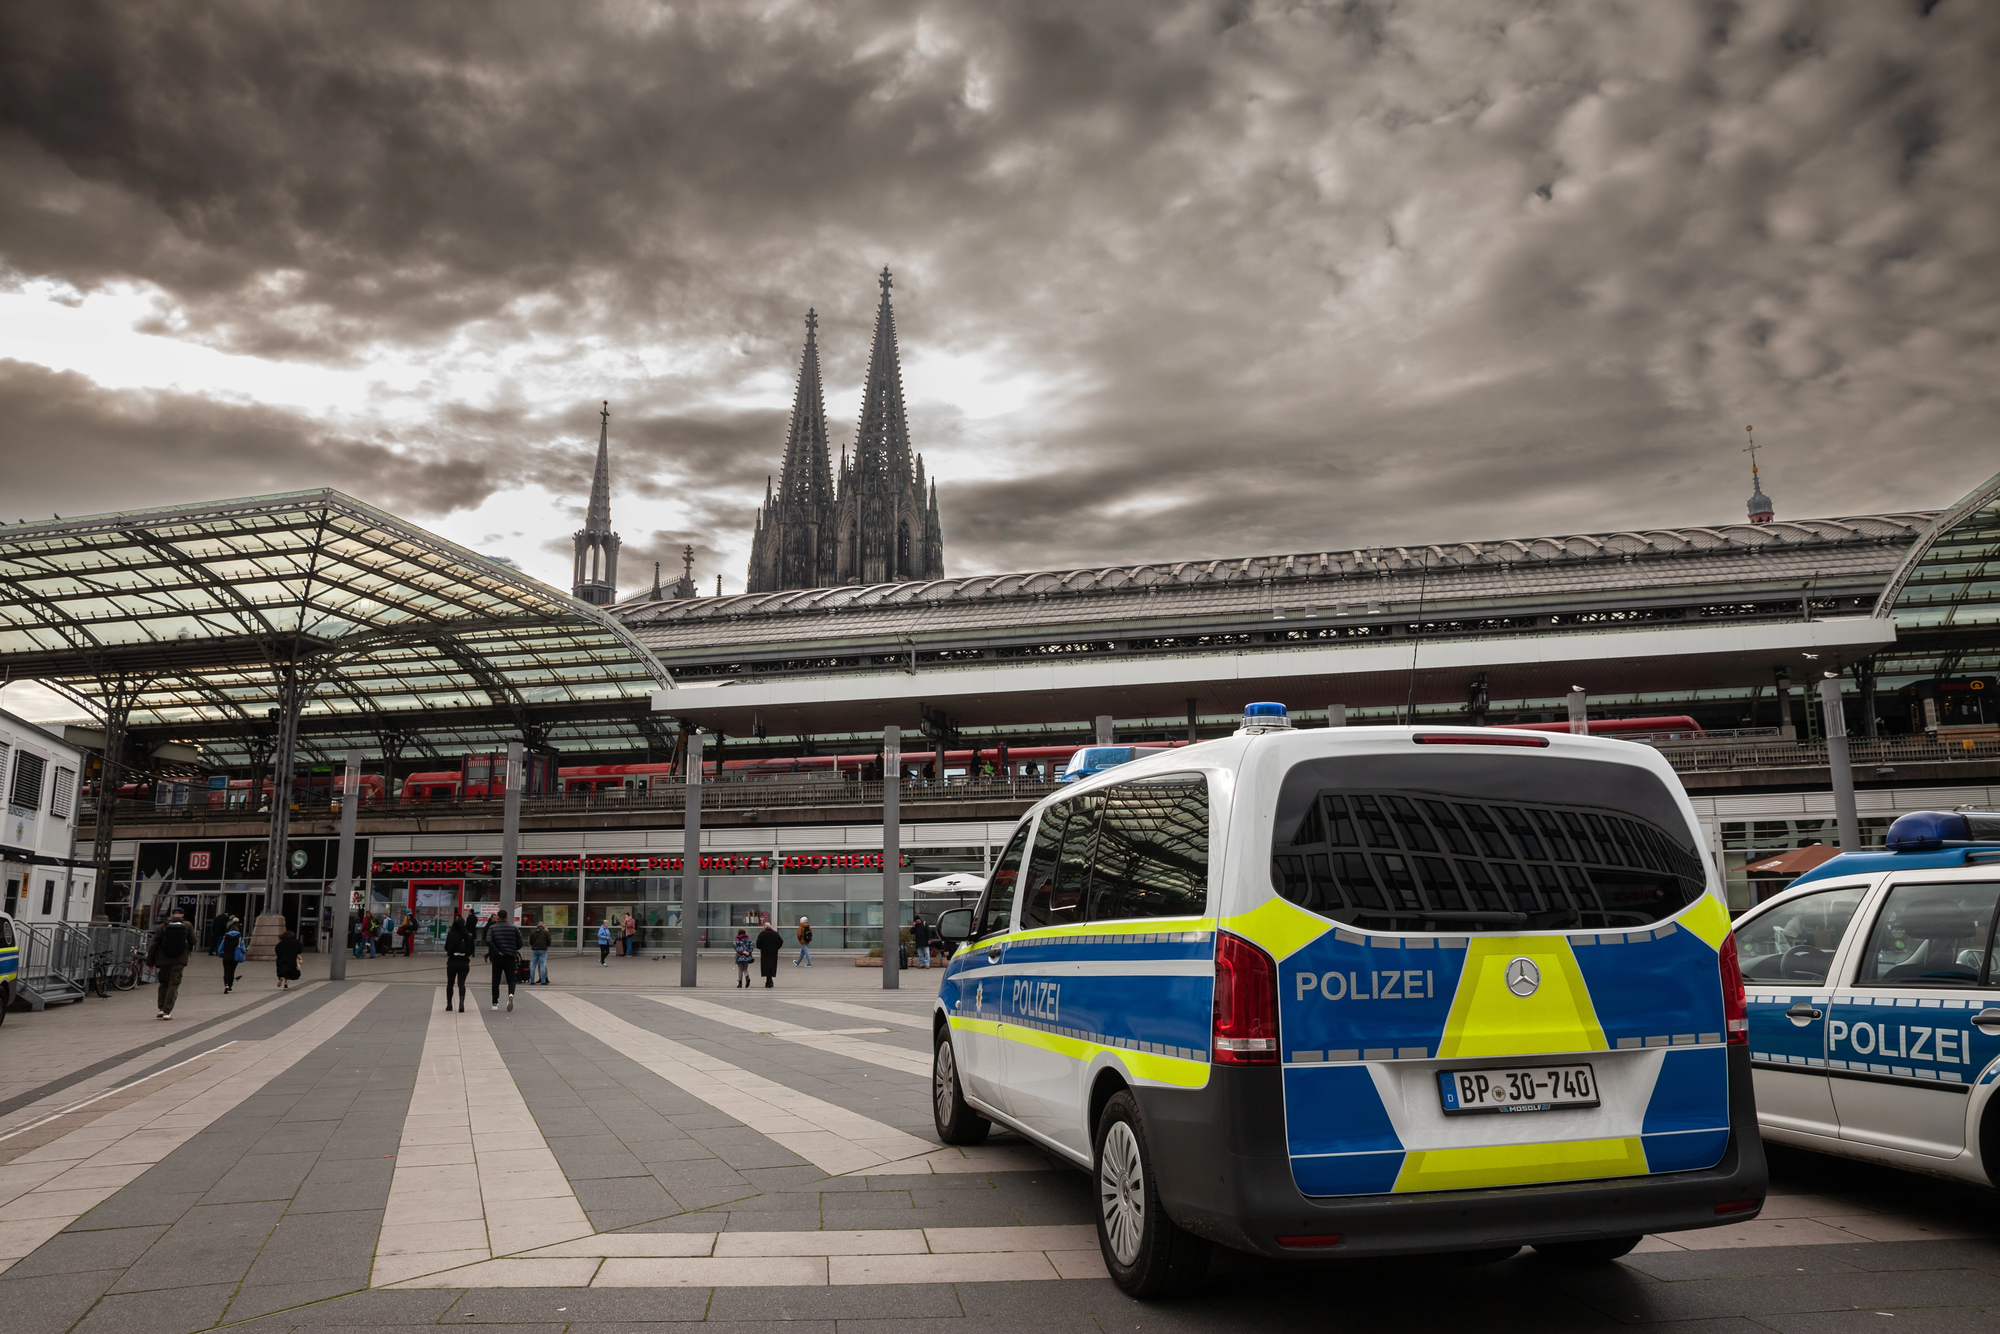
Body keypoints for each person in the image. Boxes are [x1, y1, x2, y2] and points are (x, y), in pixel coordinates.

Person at [147, 907, 195, 1020]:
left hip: (163, 960)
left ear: (172, 915)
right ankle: (167, 1011)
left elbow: (154, 945)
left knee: (163, 984)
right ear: (182, 915)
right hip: (179, 960)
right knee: (173, 985)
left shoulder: (162, 927)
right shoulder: (187, 925)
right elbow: (193, 941)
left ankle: (161, 1009)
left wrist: (150, 962)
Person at [486, 908, 522, 1012]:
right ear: (506, 917)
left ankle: (495, 1003)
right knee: (511, 979)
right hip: (510, 956)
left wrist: (497, 951)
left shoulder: (492, 928)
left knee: (496, 980)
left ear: (497, 917)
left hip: (497, 958)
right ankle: (510, 994)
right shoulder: (514, 928)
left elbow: (488, 940)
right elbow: (520, 943)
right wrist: (512, 949)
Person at [444, 912, 474, 1012]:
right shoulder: (468, 936)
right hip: (464, 962)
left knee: (450, 983)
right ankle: (461, 1003)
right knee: (461, 983)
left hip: (452, 961)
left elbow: (446, 947)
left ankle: (449, 1004)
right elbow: (471, 950)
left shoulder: (451, 934)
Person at [217, 916, 244, 993]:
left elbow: (220, 949)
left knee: (226, 971)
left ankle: (226, 985)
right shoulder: (239, 938)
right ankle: (230, 986)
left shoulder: (225, 938)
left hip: (226, 956)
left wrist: (221, 954)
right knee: (232, 972)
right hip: (235, 957)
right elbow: (243, 949)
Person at [755, 920, 783, 989]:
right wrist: (777, 948)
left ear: (765, 927)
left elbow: (758, 943)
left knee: (766, 966)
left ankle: (769, 981)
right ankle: (769, 981)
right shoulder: (775, 934)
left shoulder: (762, 934)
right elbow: (781, 941)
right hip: (773, 952)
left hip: (765, 952)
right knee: (772, 965)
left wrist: (761, 947)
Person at [275, 926, 303, 991]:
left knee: (281, 970)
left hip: (281, 959)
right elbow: (300, 950)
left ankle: (281, 977)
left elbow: (277, 950)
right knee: (289, 973)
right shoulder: (296, 942)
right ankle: (286, 986)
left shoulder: (281, 943)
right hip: (291, 959)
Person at [528, 916, 551, 986]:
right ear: (543, 925)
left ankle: (532, 981)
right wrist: (546, 946)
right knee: (542, 965)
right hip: (543, 949)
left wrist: (533, 946)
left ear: (538, 925)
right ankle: (543, 981)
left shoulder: (533, 932)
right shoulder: (545, 932)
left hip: (535, 950)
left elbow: (530, 941)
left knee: (533, 965)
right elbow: (549, 941)